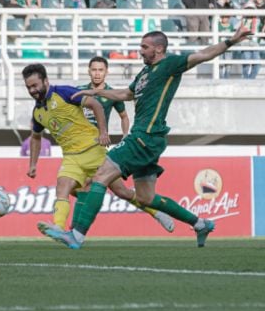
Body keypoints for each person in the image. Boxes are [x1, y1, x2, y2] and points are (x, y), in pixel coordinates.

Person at [40, 26, 251, 249]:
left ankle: (77, 235)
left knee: (100, 176)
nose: (140, 51)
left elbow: (203, 55)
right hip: (149, 139)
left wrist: (232, 41)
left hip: (145, 136)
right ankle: (200, 224)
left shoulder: (169, 65)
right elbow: (125, 94)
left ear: (159, 49)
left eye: (144, 47)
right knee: (145, 198)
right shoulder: (144, 73)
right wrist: (97, 92)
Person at [22, 64, 174, 235]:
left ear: (45, 81)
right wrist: (33, 164)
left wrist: (103, 132)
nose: (32, 90)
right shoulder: (38, 113)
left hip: (93, 149)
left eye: (35, 85)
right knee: (62, 186)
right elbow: (36, 137)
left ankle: (156, 212)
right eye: (29, 87)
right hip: (71, 157)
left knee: (122, 191)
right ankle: (58, 228)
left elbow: (96, 104)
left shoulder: (63, 93)